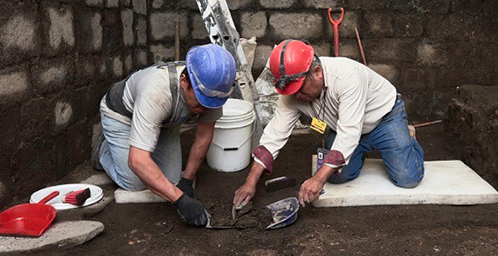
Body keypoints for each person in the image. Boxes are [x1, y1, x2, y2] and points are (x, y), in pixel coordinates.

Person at [233, 39, 424, 208]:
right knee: (335, 177)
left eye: (299, 88)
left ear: (316, 72)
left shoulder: (347, 77)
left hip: (384, 118)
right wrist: (250, 181)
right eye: (291, 91)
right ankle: (359, 151)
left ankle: (407, 138)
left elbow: (349, 133)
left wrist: (317, 179)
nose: (296, 95)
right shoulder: (292, 94)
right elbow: (274, 135)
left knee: (407, 178)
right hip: (345, 125)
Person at [92, 43, 236, 227]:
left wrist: (186, 181)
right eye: (200, 103)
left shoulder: (212, 90)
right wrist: (181, 201)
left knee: (171, 180)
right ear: (184, 81)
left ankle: (145, 141)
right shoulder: (156, 93)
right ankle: (103, 151)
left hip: (164, 121)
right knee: (135, 182)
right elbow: (137, 160)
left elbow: (203, 136)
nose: (205, 108)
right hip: (121, 115)